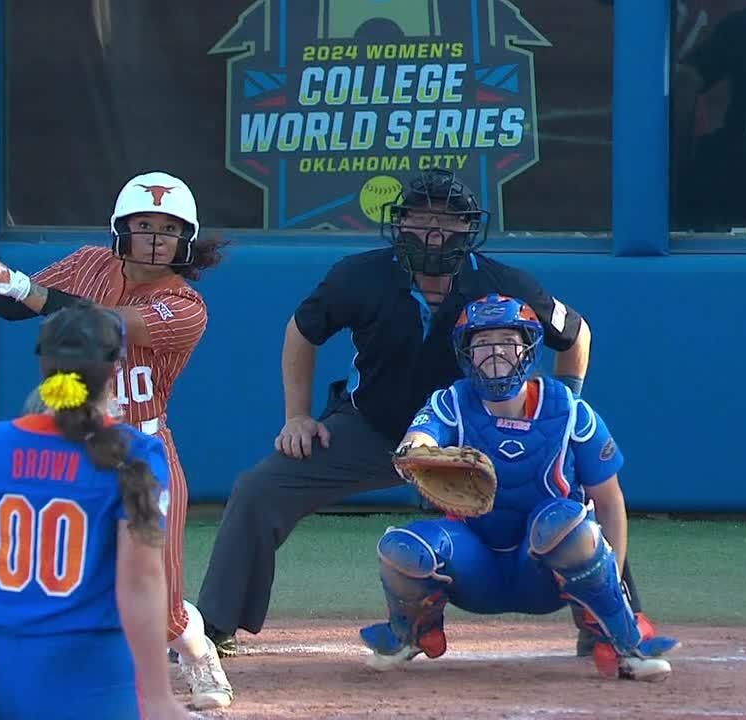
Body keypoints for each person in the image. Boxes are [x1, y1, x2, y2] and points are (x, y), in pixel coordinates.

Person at [194, 168, 655, 658]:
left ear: (468, 229)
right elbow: (301, 331)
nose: (434, 233)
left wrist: (562, 412)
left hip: (475, 437)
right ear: (400, 224)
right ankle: (217, 623)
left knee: (575, 492)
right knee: (259, 488)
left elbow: (576, 334)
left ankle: (612, 619)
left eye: (448, 222)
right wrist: (296, 417)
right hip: (375, 428)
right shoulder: (360, 275)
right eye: (421, 219)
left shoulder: (502, 283)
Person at [0, 171, 232, 709]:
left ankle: (195, 644)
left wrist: (25, 287)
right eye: (142, 225)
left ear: (187, 238)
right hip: (72, 445)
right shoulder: (90, 263)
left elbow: (103, 324)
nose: (154, 238)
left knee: (158, 593)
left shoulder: (186, 307)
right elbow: (10, 301)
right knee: (78, 573)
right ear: (119, 229)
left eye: (168, 228)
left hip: (144, 449)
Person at [359, 293, 679, 681]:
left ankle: (620, 635)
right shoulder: (451, 402)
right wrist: (417, 451)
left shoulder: (570, 411)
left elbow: (609, 501)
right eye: (482, 343)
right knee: (401, 549)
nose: (495, 353)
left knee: (564, 522)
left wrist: (610, 579)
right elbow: (420, 438)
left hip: (542, 573)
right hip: (472, 567)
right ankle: (409, 631)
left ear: (528, 348)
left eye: (507, 342)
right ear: (466, 353)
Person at [0, 302, 190, 718]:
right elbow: (142, 578)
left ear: (44, 365)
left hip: (6, 667)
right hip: (96, 671)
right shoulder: (137, 453)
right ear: (114, 369)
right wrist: (158, 695)